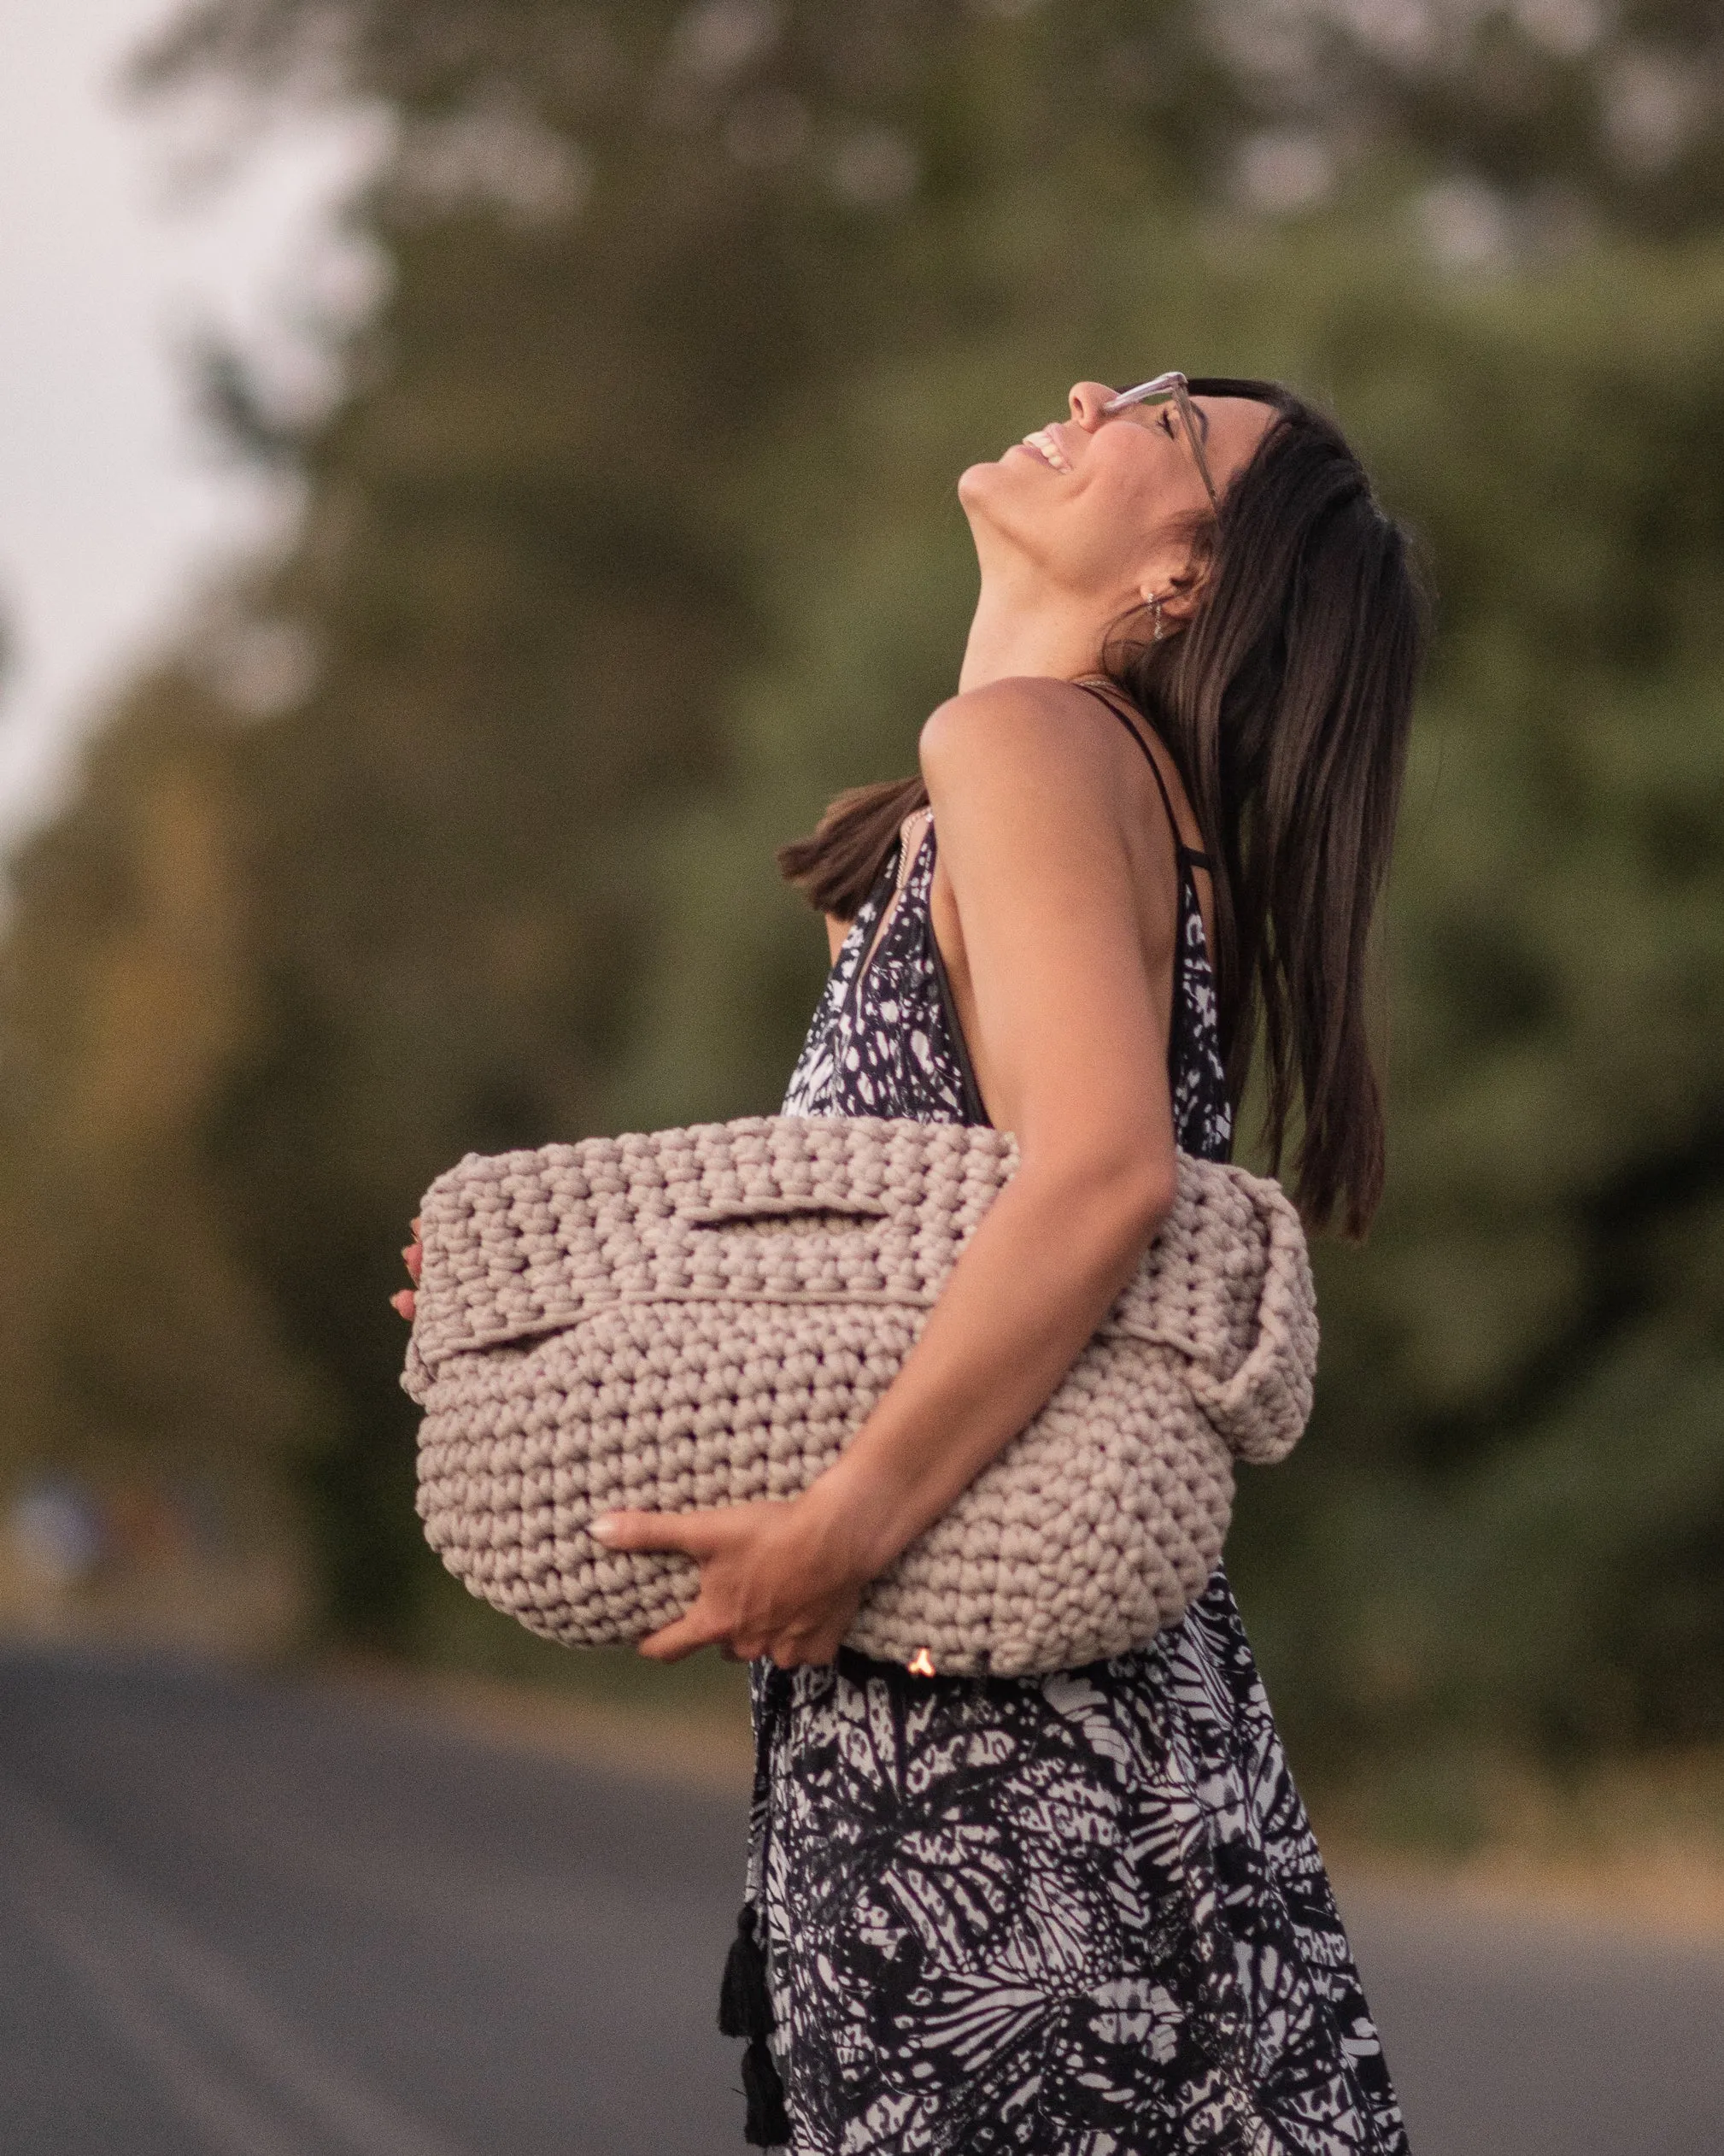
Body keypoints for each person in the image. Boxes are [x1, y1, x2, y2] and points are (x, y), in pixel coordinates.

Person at [398, 373, 1425, 2153]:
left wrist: (844, 1527)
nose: (1102, 391)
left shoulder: (1031, 747)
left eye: (1167, 423)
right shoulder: (1011, 806)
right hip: (1044, 1732)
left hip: (997, 1791)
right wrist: (580, 1315)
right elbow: (879, 1278)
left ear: (1187, 576)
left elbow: (1098, 1177)